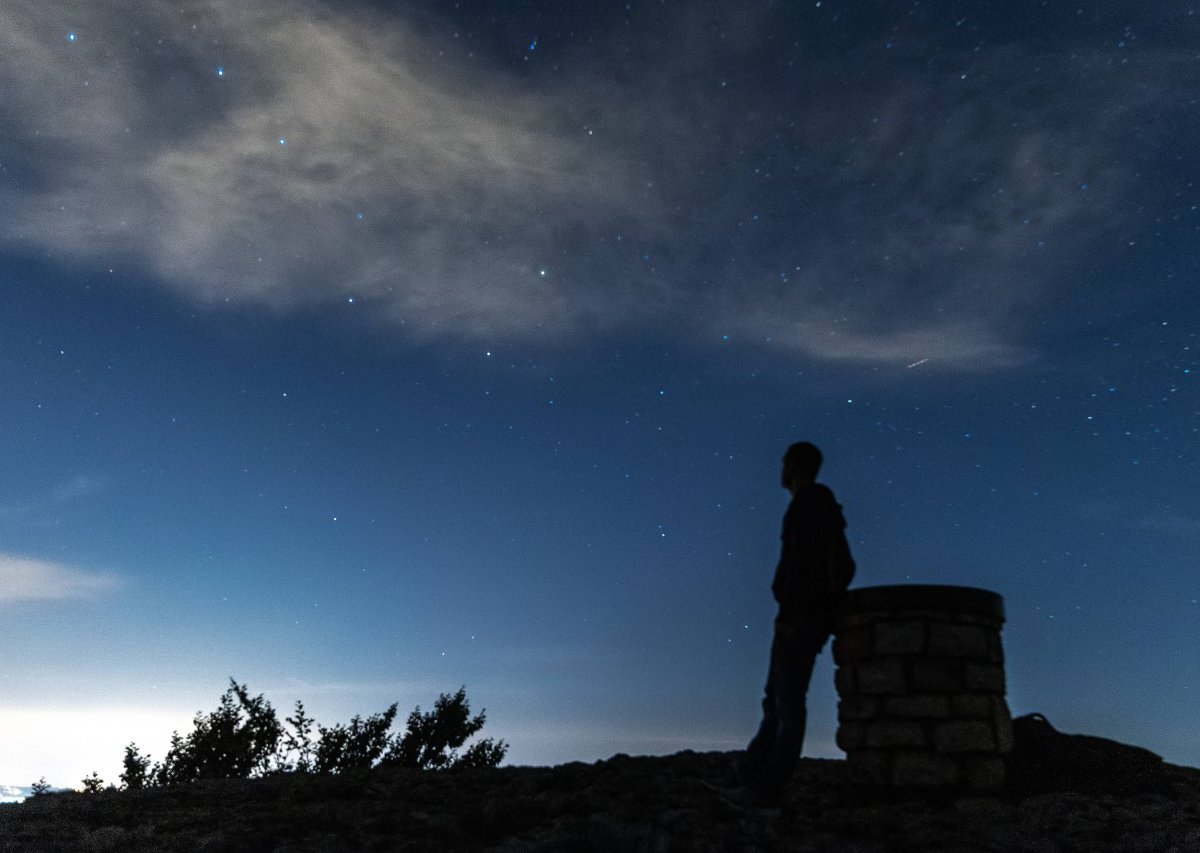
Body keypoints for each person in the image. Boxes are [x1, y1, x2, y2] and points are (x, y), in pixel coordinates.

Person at [733, 441, 855, 805]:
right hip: (805, 616)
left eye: (785, 464)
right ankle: (750, 775)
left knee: (787, 703)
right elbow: (841, 565)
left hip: (799, 619)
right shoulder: (821, 506)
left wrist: (794, 611)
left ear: (793, 467)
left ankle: (767, 787)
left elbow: (804, 566)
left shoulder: (808, 505)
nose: (781, 471)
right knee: (777, 699)